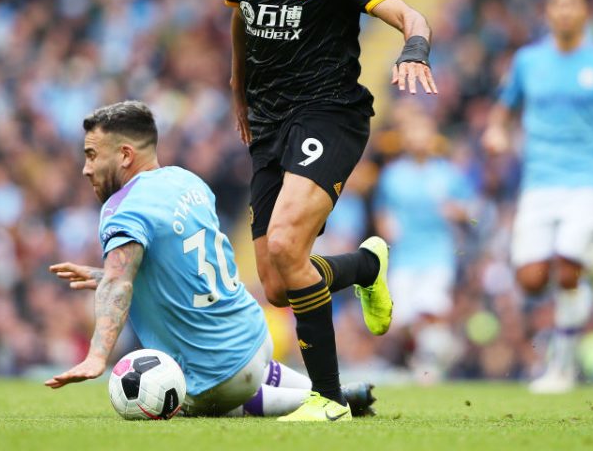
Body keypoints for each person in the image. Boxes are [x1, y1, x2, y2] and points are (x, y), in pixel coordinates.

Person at [219, 0, 437, 420]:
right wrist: (238, 93)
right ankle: (366, 268)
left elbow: (411, 16)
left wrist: (415, 49)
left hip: (330, 115)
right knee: (276, 284)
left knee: (291, 246)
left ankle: (329, 399)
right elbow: (241, 18)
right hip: (268, 124)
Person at [44, 101, 375, 418]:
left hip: (220, 373)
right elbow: (180, 271)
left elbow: (121, 281)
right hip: (256, 336)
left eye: (91, 156)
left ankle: (320, 399)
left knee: (185, 401)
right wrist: (105, 275)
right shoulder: (188, 182)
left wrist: (97, 355)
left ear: (125, 155)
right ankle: (331, 393)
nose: (86, 169)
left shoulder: (122, 209)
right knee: (240, 367)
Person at [482, 0, 593, 393]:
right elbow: (502, 110)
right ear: (548, 12)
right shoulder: (528, 61)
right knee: (530, 280)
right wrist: (496, 132)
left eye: (572, 4)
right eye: (556, 4)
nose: (563, 11)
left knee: (567, 265)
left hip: (589, 178)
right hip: (540, 182)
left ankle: (561, 367)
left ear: (585, 12)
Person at [373, 112, 474, 382]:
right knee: (401, 319)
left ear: (433, 138)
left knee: (431, 307)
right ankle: (440, 350)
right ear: (405, 139)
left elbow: (474, 211)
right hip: (405, 255)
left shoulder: (448, 174)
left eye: (424, 132)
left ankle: (428, 366)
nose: (419, 139)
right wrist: (385, 226)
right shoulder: (392, 176)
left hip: (438, 253)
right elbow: (381, 210)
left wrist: (460, 212)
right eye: (413, 133)